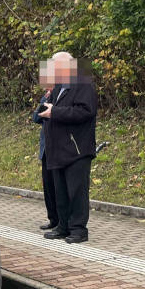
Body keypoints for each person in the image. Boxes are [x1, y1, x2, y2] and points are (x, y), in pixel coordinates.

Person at [37, 52, 98, 243]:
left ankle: (78, 230)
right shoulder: (59, 87)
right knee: (60, 191)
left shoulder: (83, 84)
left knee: (76, 192)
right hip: (57, 149)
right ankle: (62, 226)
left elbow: (85, 111)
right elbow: (48, 110)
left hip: (76, 149)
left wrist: (55, 112)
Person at [31, 59, 59, 231]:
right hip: (46, 150)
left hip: (58, 148)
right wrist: (43, 102)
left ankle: (62, 220)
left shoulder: (62, 95)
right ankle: (53, 219)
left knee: (58, 187)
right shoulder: (46, 96)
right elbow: (36, 118)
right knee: (48, 187)